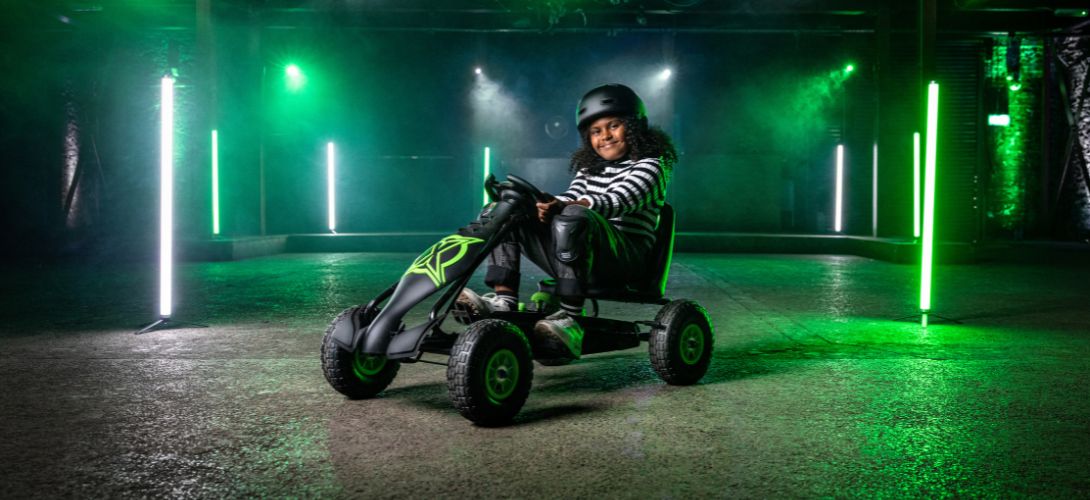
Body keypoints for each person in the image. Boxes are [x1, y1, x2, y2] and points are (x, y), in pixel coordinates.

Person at [457, 83, 678, 360]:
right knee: (507, 212)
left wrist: (566, 206)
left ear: (634, 127)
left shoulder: (652, 165)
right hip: (583, 251)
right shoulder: (590, 169)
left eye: (614, 126)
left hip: (624, 261)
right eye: (596, 131)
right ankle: (504, 300)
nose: (605, 136)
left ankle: (571, 318)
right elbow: (571, 196)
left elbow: (617, 200)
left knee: (574, 216)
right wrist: (540, 204)